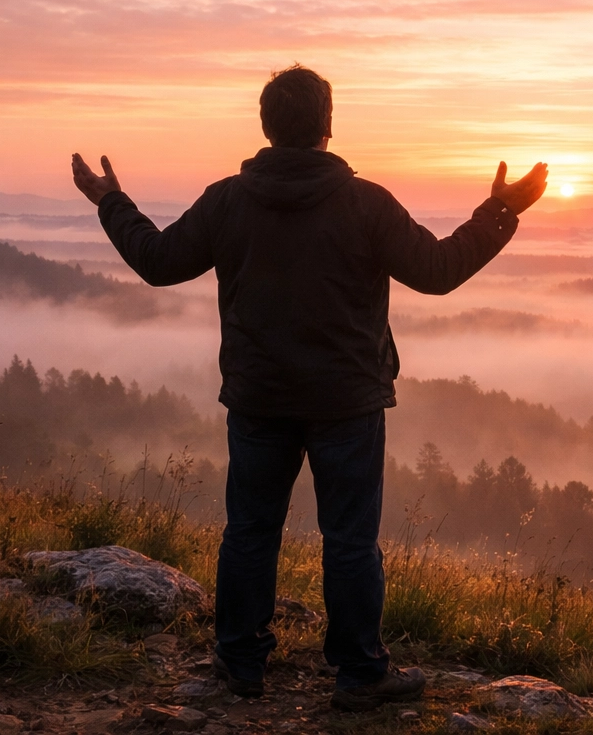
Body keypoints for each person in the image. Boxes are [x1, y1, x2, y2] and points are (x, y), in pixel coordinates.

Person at [71, 64, 548, 712]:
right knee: (349, 540)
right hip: (347, 402)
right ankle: (359, 674)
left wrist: (110, 201)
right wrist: (500, 211)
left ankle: (239, 662)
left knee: (250, 531)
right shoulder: (365, 203)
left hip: (259, 396)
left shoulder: (228, 199)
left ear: (266, 126)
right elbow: (437, 272)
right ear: (328, 125)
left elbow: (158, 263)